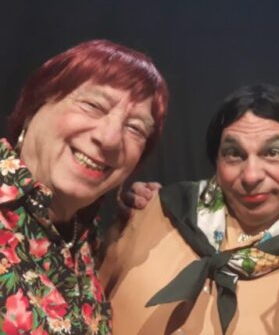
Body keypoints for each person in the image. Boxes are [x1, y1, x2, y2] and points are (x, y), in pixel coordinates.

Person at [99, 83, 279, 334]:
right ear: (216, 162)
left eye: (272, 152)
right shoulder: (152, 213)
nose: (251, 176)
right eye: (234, 153)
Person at [0, 40, 169, 334]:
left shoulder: (83, 242)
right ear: (35, 105)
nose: (110, 138)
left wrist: (135, 226)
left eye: (135, 128)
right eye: (93, 106)